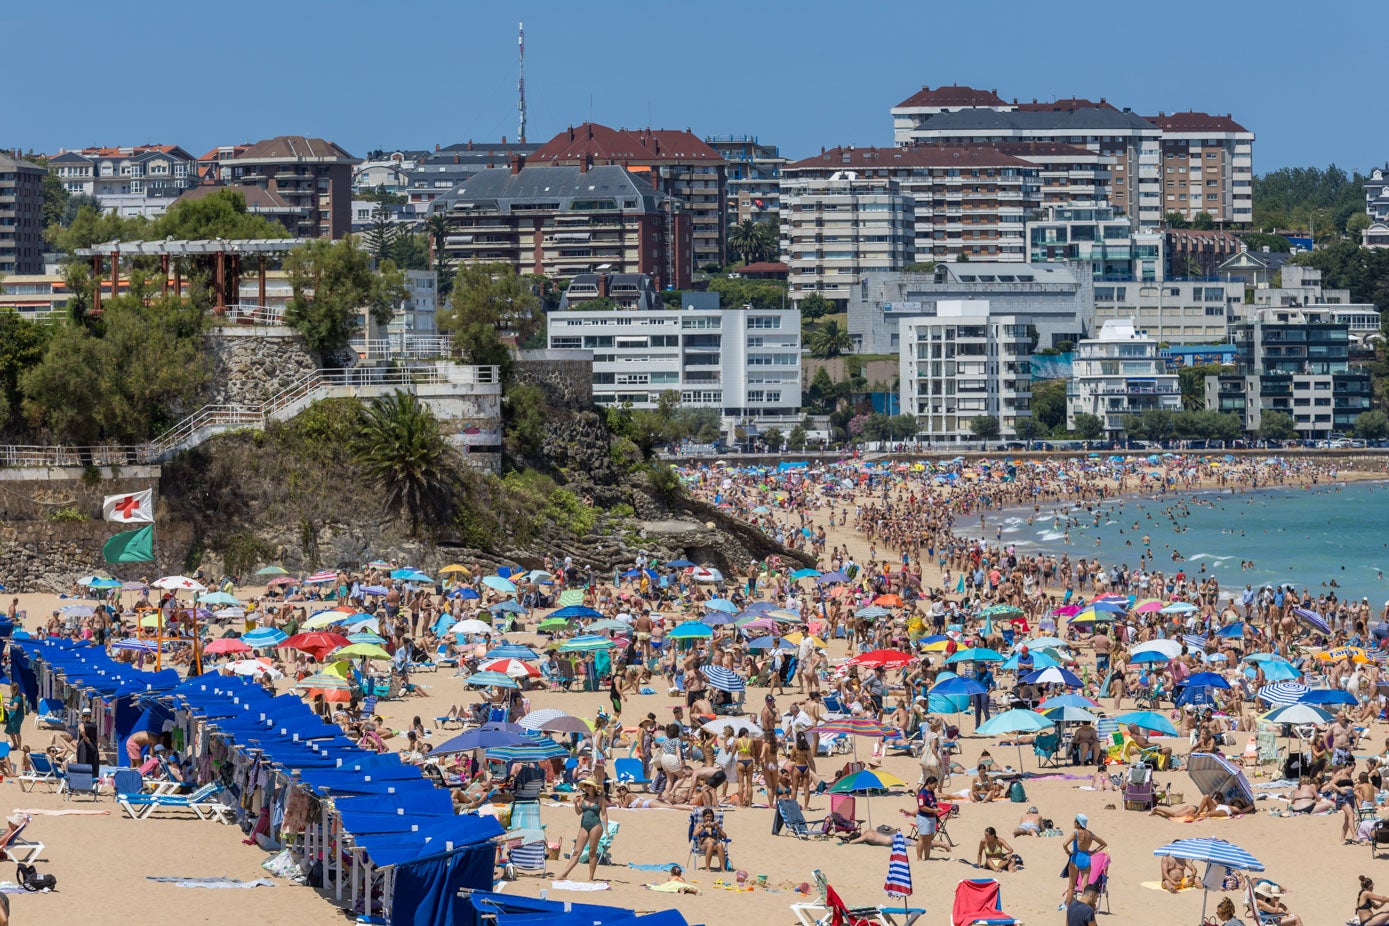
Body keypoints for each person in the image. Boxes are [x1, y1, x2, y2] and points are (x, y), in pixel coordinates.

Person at [557, 779, 608, 882]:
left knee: (592, 852)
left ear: (593, 787)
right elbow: (579, 812)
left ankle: (591, 877)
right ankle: (563, 874)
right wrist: (575, 804)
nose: (586, 787)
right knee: (576, 852)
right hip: (584, 825)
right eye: (585, 785)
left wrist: (606, 829)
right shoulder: (582, 798)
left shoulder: (600, 799)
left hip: (596, 826)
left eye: (588, 785)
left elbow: (604, 814)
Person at [1062, 814, 1107, 908]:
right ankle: (1083, 906)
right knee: (1084, 886)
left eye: (1075, 821)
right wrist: (1093, 852)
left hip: (1075, 859)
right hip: (1086, 859)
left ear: (1079, 824)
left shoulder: (1076, 833)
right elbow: (1103, 844)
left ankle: (1067, 905)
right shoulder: (1090, 834)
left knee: (1071, 886)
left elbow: (1065, 844)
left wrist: (1068, 852)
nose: (1073, 823)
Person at [913, 775, 943, 861]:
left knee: (929, 838)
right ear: (929, 783)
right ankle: (919, 858)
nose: (935, 787)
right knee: (922, 838)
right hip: (923, 817)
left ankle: (927, 858)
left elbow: (933, 803)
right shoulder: (922, 793)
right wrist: (933, 811)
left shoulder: (931, 792)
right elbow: (921, 807)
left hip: (932, 817)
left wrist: (936, 809)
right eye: (934, 785)